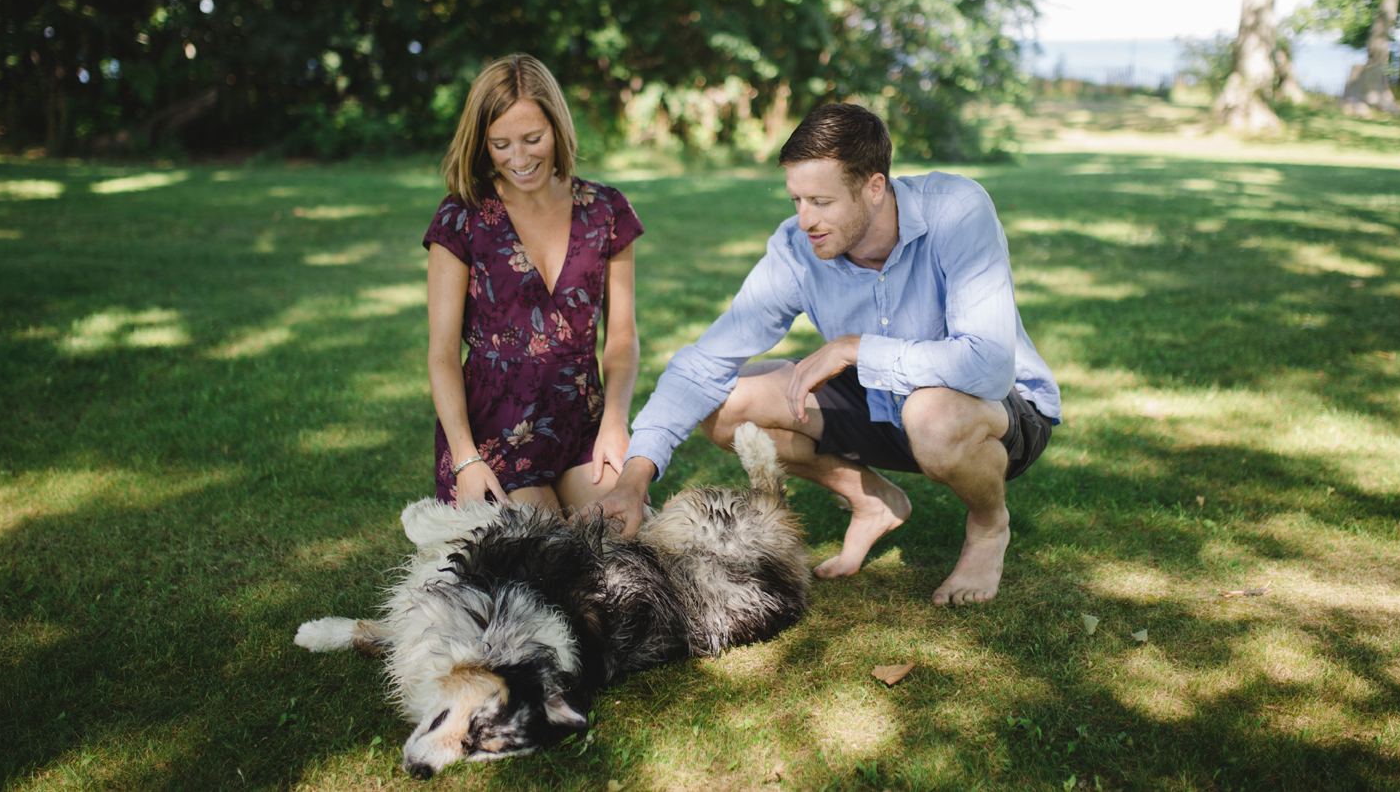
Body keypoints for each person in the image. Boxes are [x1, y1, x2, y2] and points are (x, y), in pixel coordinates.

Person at [589, 102, 1060, 605]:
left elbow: (987, 366)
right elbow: (705, 363)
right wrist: (635, 477)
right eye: (796, 200)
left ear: (874, 188)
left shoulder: (957, 209)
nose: (804, 220)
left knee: (931, 413)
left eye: (820, 201)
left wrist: (855, 349)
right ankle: (871, 500)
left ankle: (989, 526)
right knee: (727, 408)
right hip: (884, 407)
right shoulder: (796, 248)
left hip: (997, 410)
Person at [422, 54, 644, 511]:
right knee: (541, 560)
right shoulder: (460, 217)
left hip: (583, 422)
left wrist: (615, 423)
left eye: (532, 139)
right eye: (500, 144)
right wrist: (466, 459)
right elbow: (442, 353)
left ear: (557, 129)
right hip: (493, 434)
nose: (519, 159)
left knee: (621, 545)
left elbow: (621, 337)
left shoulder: (606, 211)